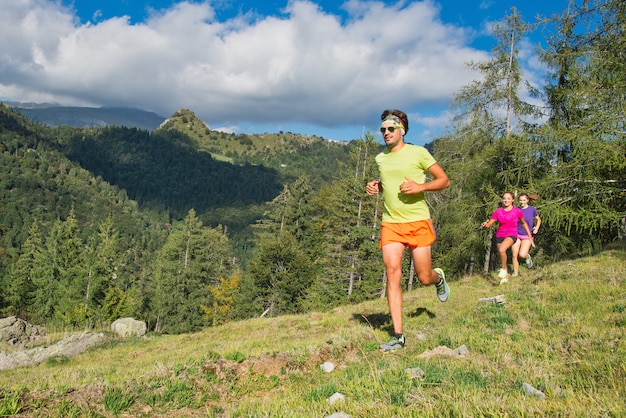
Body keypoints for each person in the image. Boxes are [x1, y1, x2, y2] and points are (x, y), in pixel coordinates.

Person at [366, 109, 450, 352]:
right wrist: (376, 186)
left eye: (390, 128)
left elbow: (444, 180)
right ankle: (398, 336)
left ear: (401, 129)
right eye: (382, 130)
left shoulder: (418, 153)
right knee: (392, 272)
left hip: (417, 222)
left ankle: (438, 278)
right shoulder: (381, 158)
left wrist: (420, 186)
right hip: (391, 223)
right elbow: (389, 182)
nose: (386, 133)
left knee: (424, 277)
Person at [480, 192, 534, 284]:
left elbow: (524, 223)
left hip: (511, 235)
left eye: (508, 199)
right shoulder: (498, 211)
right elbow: (489, 224)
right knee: (501, 258)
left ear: (512, 200)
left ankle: (503, 270)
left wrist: (530, 238)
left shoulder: (517, 211)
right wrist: (485, 224)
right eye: (504, 198)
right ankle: (505, 277)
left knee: (502, 250)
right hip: (500, 235)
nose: (506, 200)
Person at [512, 193, 541, 274]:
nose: (522, 202)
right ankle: (515, 273)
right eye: (520, 200)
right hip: (516, 234)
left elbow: (538, 220)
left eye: (524, 200)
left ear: (527, 200)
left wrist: (536, 228)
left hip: (527, 236)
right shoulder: (516, 210)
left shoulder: (532, 210)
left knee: (522, 255)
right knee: (514, 254)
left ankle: (527, 256)